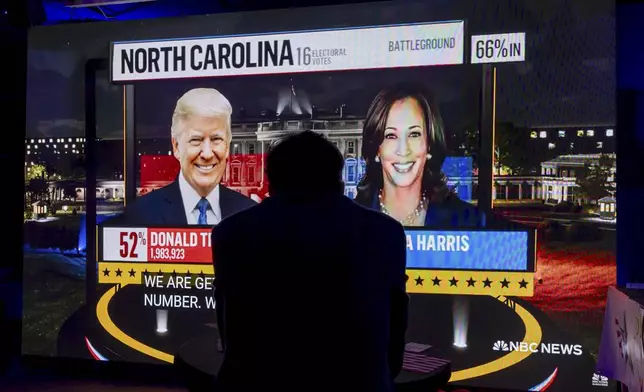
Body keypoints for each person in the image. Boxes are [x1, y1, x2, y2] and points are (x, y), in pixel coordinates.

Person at [212, 131, 409, 392]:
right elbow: (394, 335)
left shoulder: (230, 233)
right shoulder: (386, 233)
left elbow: (229, 331)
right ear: (337, 180)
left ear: (271, 182)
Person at [355, 84, 487, 228]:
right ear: (376, 150)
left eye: (414, 134)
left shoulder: (470, 221)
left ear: (429, 144)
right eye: (391, 136)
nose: (403, 150)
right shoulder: (346, 223)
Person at [117, 88, 255, 225]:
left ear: (227, 146)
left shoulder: (251, 214)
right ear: (176, 146)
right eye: (196, 140)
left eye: (216, 139)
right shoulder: (140, 215)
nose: (207, 154)